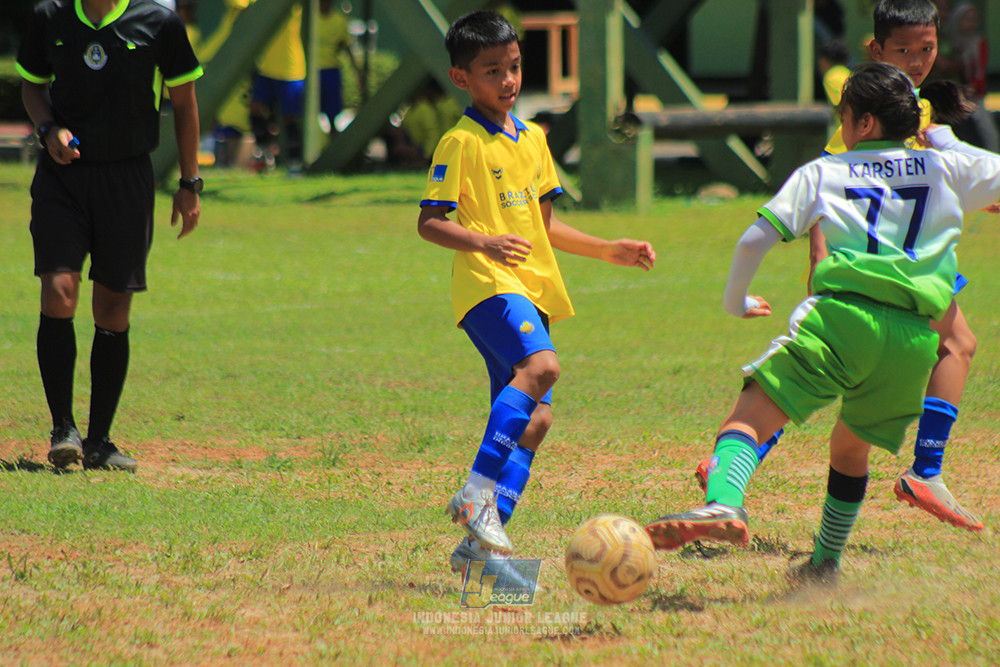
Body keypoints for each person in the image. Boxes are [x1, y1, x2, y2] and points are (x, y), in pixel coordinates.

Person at [648, 62, 1000, 586]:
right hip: (914, 341)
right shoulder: (947, 169)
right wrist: (946, 141)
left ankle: (723, 505)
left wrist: (735, 300)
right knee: (849, 449)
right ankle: (825, 564)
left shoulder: (824, 171)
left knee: (746, 419)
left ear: (859, 123)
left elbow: (753, 239)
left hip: (843, 320)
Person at [696, 0, 986, 533]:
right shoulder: (865, 110)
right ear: (876, 51)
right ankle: (924, 471)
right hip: (883, 270)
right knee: (952, 346)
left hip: (902, 263)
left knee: (828, 384)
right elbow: (833, 195)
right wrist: (818, 263)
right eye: (904, 50)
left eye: (927, 48)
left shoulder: (910, 108)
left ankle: (741, 459)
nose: (918, 60)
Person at [417, 11, 656, 575]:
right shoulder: (460, 142)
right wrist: (484, 242)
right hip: (487, 287)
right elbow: (429, 222)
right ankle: (475, 492)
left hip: (531, 286)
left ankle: (480, 552)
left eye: (515, 67)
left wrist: (607, 248)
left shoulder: (534, 139)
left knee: (538, 421)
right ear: (461, 78)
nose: (508, 80)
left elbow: (542, 226)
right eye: (492, 70)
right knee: (543, 366)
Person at [17, 0, 203, 471]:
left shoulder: (158, 23)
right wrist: (47, 128)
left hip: (128, 179)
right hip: (64, 177)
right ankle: (64, 429)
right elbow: (32, 86)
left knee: (113, 306)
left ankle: (99, 441)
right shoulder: (50, 17)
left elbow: (184, 104)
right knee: (59, 291)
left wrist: (189, 183)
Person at [250, 2, 306, 175]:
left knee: (290, 119)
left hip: (290, 69)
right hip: (267, 67)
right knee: (255, 109)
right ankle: (264, 152)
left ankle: (295, 163)